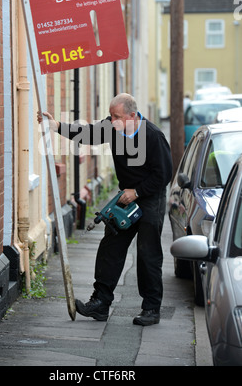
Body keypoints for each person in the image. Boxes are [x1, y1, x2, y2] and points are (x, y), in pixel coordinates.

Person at [40, 93, 172, 326]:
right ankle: (100, 303)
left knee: (147, 254)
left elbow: (163, 175)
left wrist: (138, 192)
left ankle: (151, 308)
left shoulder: (153, 136)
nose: (111, 121)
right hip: (126, 197)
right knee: (110, 246)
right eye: (110, 116)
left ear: (132, 116)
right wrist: (56, 126)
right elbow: (87, 133)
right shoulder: (113, 127)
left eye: (116, 116)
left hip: (150, 198)